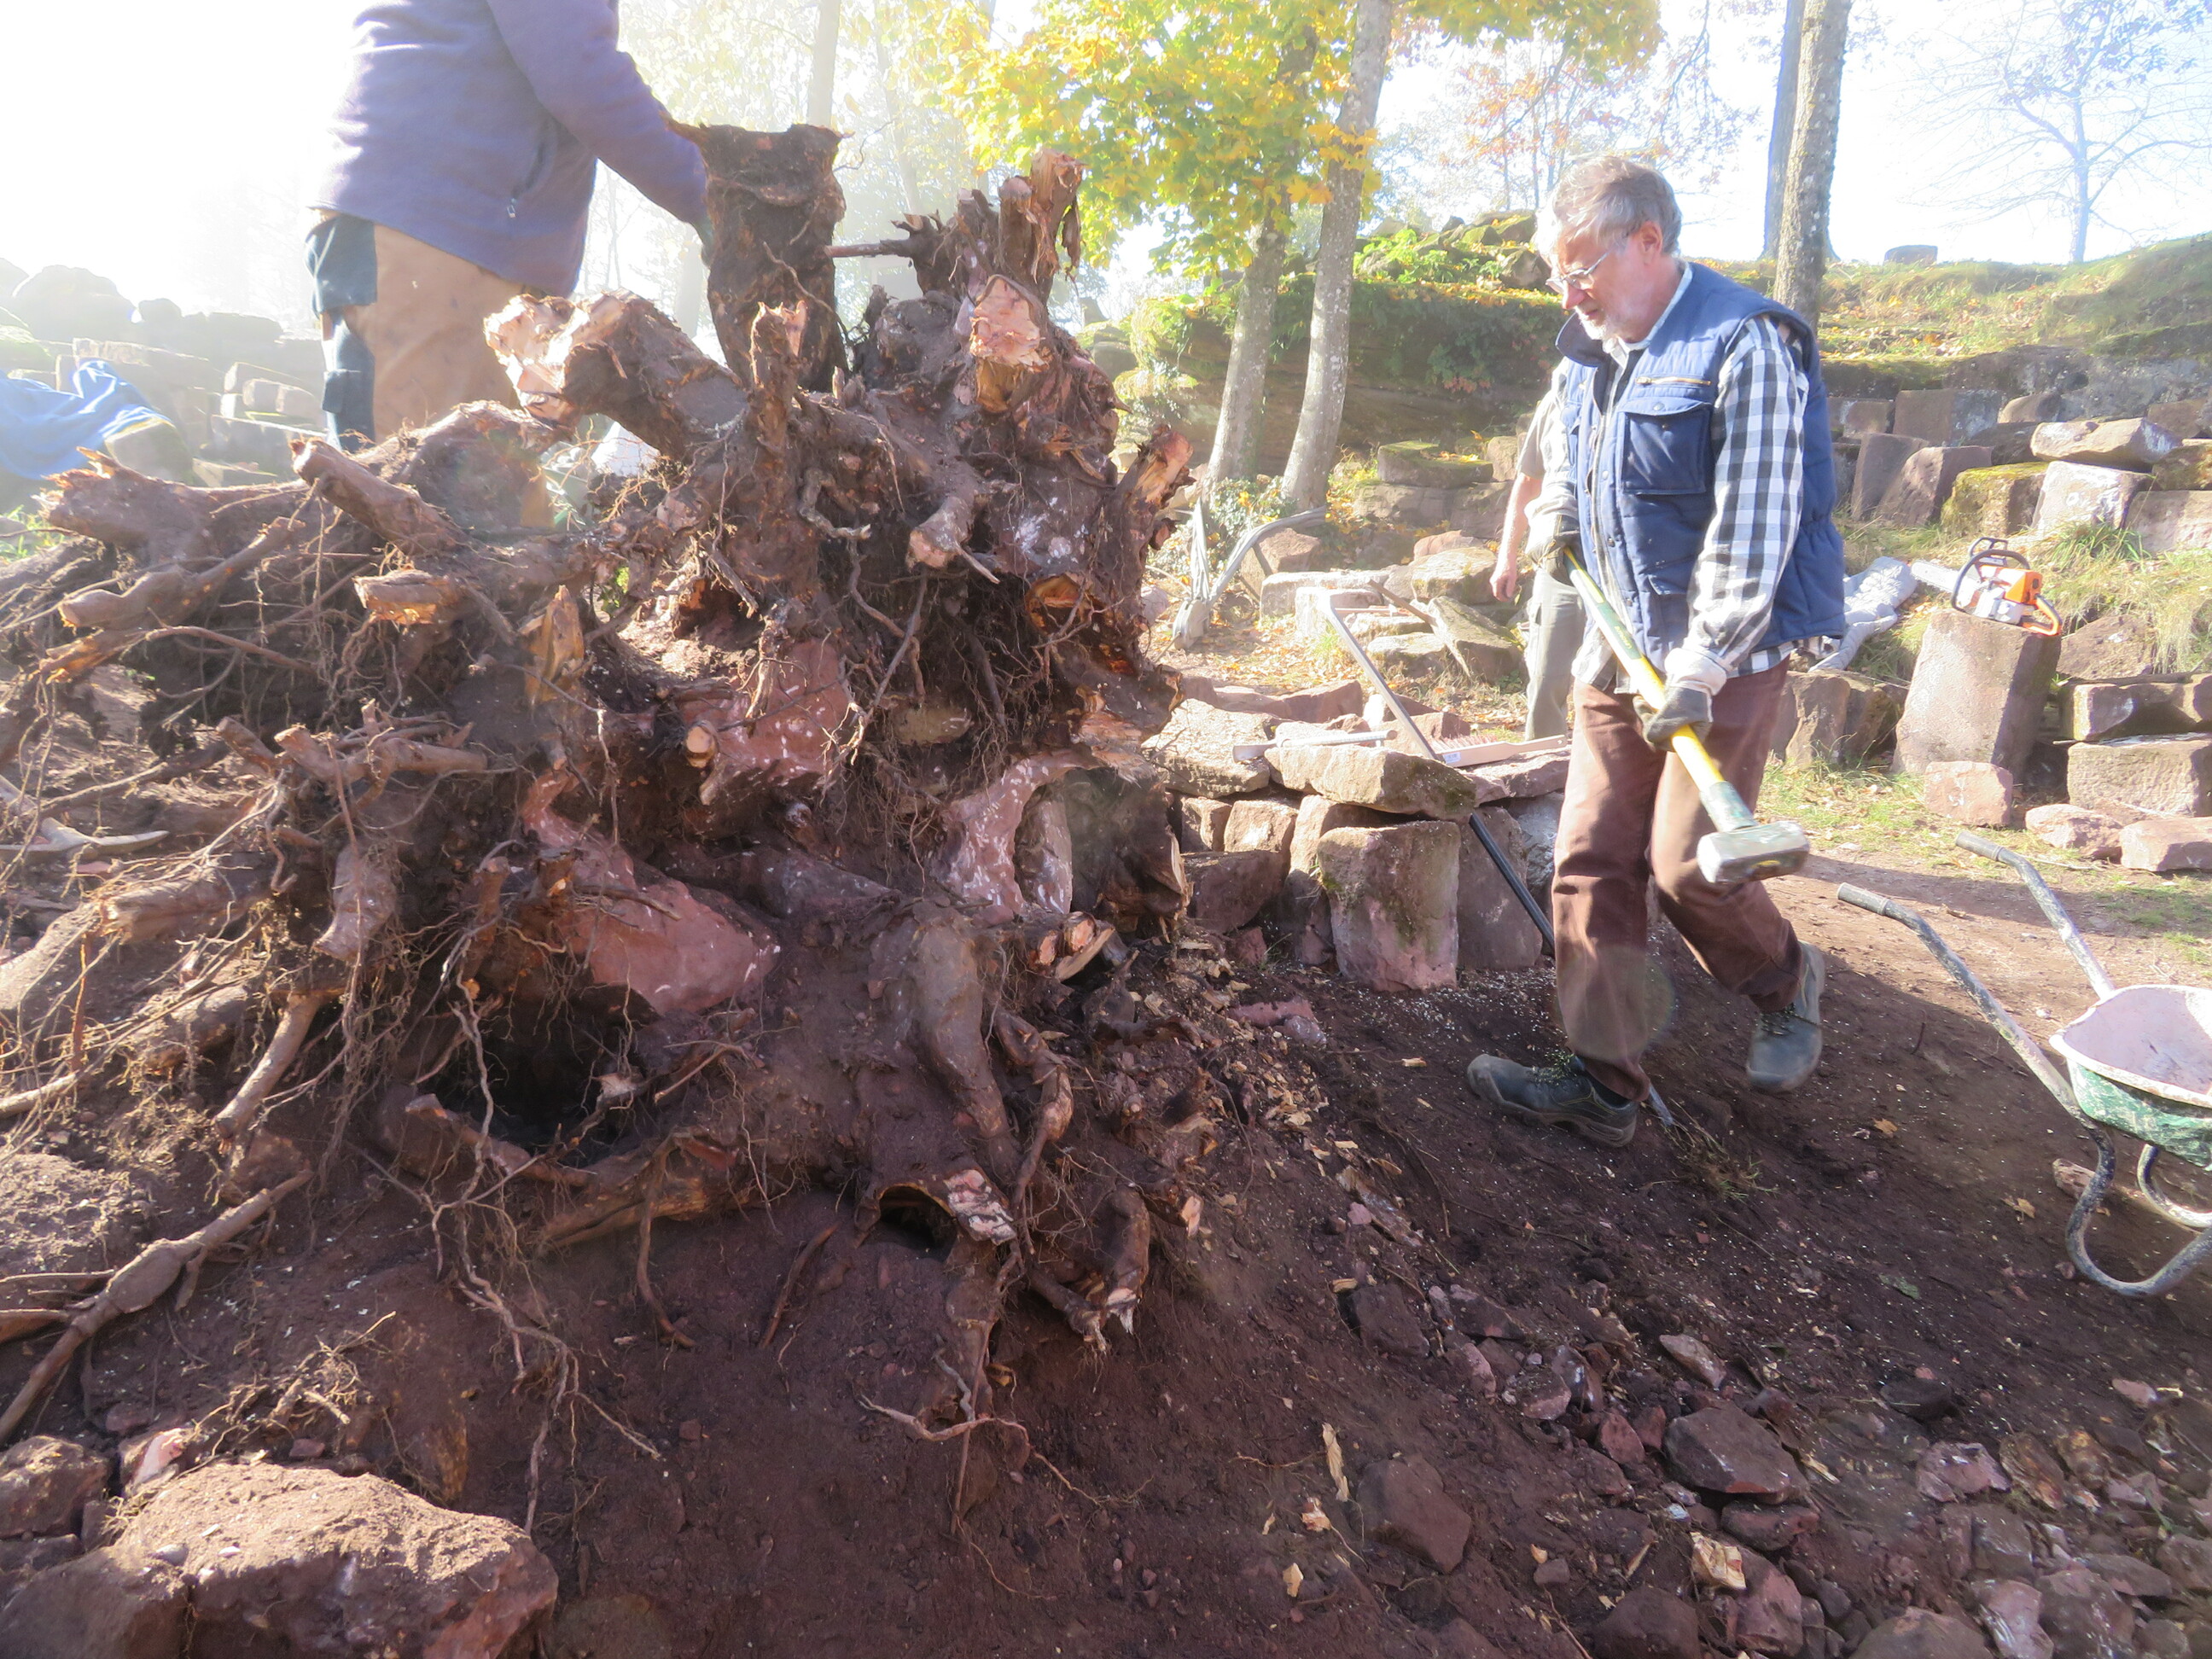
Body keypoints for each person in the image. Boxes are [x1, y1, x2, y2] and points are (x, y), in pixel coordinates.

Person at [1465, 155, 1845, 1148]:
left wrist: (1702, 662)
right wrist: (1554, 521)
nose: (1570, 292)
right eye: (1557, 274)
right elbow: (1567, 468)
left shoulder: (1746, 343)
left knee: (1686, 866)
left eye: (1582, 266)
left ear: (1649, 241)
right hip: (1618, 646)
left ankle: (1786, 983)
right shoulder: (1582, 356)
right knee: (1590, 864)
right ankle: (1605, 1085)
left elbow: (1754, 530)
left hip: (1727, 653)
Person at [309, 0, 710, 449]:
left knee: (478, 480)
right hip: (441, 229)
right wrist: (717, 195)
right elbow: (576, 66)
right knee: (424, 481)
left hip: (445, 232)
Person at [1489, 389, 1585, 740]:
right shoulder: (1558, 398)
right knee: (1546, 678)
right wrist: (1506, 557)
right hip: (1560, 560)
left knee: (1620, 688)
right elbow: (1528, 482)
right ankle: (1542, 763)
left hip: (1625, 565)